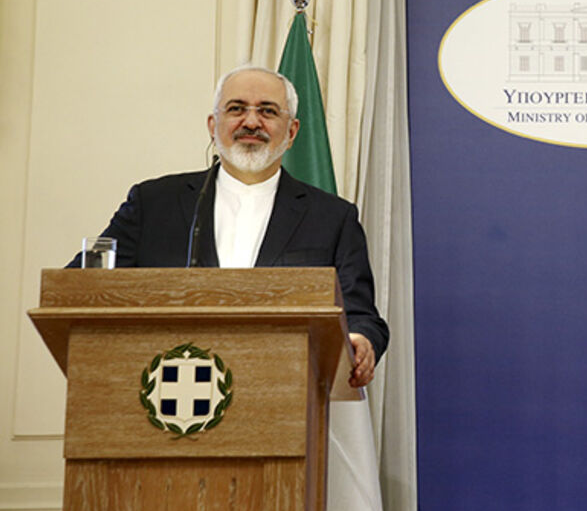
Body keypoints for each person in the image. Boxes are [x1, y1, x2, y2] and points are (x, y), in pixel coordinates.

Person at [72, 66, 389, 387]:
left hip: (282, 393)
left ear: (292, 132)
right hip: (161, 388)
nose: (251, 122)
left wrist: (361, 340)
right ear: (213, 125)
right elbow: (83, 288)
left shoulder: (332, 217)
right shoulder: (153, 203)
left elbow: (360, 314)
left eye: (267, 111)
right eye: (236, 109)